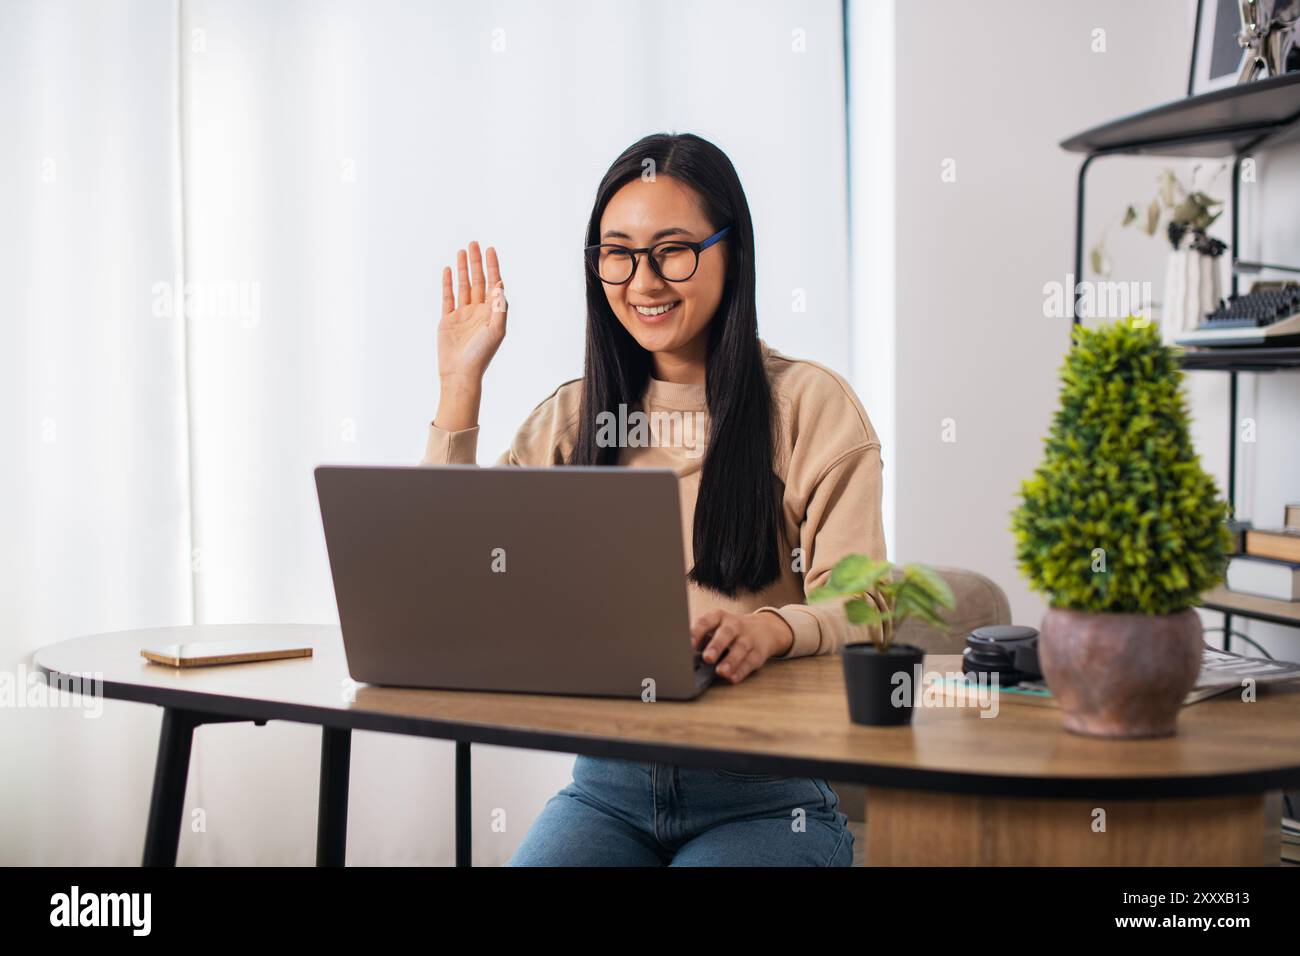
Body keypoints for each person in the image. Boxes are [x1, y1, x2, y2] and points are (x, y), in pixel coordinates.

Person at [422, 132, 887, 866]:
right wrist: (459, 388)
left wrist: (772, 629)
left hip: (766, 797)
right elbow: (453, 585)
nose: (643, 282)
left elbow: (868, 609)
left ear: (732, 251)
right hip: (604, 791)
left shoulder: (808, 405)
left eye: (673, 250)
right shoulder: (571, 421)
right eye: (618, 253)